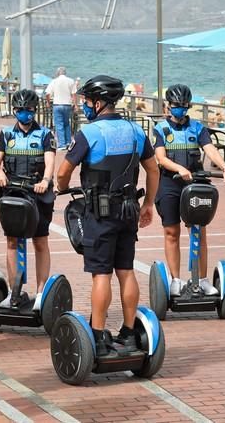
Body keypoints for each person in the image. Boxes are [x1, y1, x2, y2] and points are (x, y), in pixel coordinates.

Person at [56, 75, 159, 357]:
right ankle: (128, 332)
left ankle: (99, 334)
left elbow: (64, 172)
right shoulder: (136, 132)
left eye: (88, 102)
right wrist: (148, 203)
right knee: (125, 269)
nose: (86, 107)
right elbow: (153, 169)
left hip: (100, 213)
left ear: (99, 103)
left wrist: (61, 187)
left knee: (101, 273)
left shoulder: (89, 133)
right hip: (129, 210)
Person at [153, 84, 225, 298]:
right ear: (168, 106)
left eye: (184, 105)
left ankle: (203, 279)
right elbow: (160, 158)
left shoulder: (197, 128)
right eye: (176, 105)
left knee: (199, 231)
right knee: (172, 232)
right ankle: (176, 280)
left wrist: (224, 167)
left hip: (194, 183)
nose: (180, 109)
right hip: (170, 183)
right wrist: (179, 168)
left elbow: (210, 149)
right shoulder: (160, 129)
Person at [0, 89, 56, 310]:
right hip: (14, 193)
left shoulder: (45, 134)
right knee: (12, 240)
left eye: (28, 110)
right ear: (14, 111)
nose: (24, 114)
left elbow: (50, 162)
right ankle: (13, 292)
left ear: (34, 111)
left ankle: (40, 293)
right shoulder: (7, 134)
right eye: (20, 110)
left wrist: (46, 181)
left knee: (40, 241)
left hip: (37, 193)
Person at [45, 67, 76, 149]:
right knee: (66, 124)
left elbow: (47, 93)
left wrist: (48, 102)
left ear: (58, 73)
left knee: (59, 125)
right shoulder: (71, 81)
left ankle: (62, 144)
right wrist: (75, 104)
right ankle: (68, 142)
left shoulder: (54, 81)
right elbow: (74, 94)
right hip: (67, 104)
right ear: (65, 73)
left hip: (57, 104)